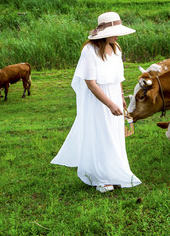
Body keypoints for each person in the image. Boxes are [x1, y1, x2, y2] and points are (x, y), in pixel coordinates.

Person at [51, 12, 141, 193]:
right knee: (101, 135)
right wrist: (109, 103)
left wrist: (121, 97)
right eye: (114, 32)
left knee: (114, 136)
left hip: (114, 95)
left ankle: (114, 173)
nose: (118, 35)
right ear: (103, 33)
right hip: (98, 100)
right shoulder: (89, 51)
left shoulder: (116, 49)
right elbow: (90, 83)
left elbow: (118, 78)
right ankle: (101, 177)